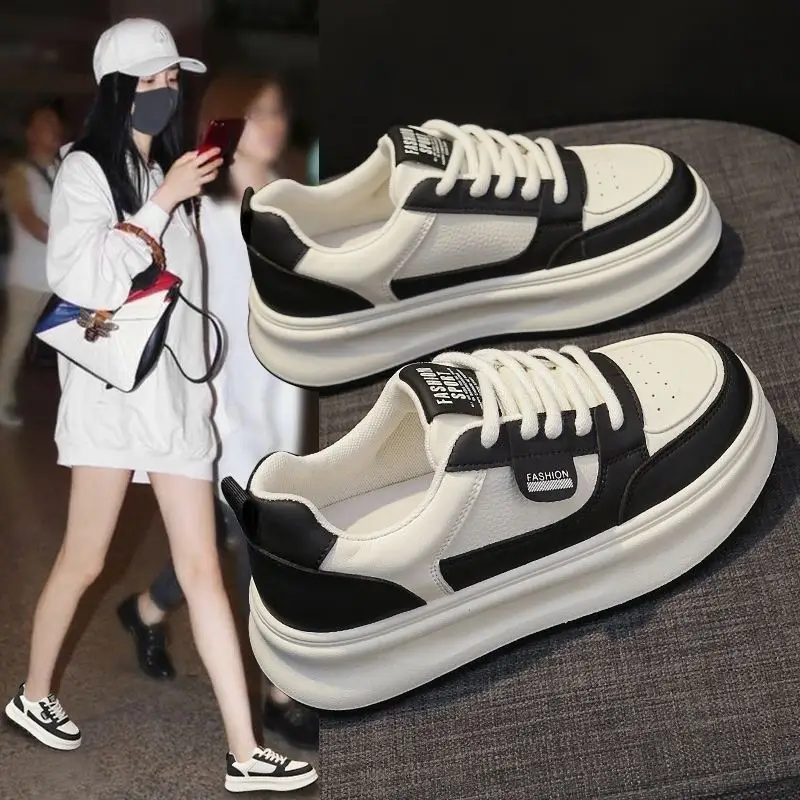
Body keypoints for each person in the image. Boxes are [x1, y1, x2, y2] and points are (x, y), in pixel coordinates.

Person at [2, 19, 317, 794]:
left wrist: (205, 395)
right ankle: (34, 696)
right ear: (117, 91)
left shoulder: (167, 174)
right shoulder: (86, 170)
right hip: (113, 399)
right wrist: (160, 206)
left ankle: (245, 751)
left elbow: (194, 297)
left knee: (204, 569)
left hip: (175, 404)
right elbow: (82, 278)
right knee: (84, 559)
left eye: (172, 79)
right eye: (149, 81)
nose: (165, 93)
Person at [116, 70, 319, 750]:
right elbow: (201, 322)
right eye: (255, 113)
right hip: (226, 411)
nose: (273, 125)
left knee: (228, 541)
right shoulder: (208, 213)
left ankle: (146, 609)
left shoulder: (289, 199)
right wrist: (215, 415)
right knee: (263, 550)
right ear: (227, 124)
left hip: (280, 400)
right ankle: (279, 693)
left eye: (277, 112)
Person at [0, 100, 64, 428]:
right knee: (16, 341)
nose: (54, 128)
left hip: (63, 275)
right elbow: (28, 219)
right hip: (29, 276)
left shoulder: (64, 170)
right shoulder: (18, 174)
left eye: (56, 122)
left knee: (80, 339)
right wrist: (71, 243)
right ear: (30, 133)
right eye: (45, 122)